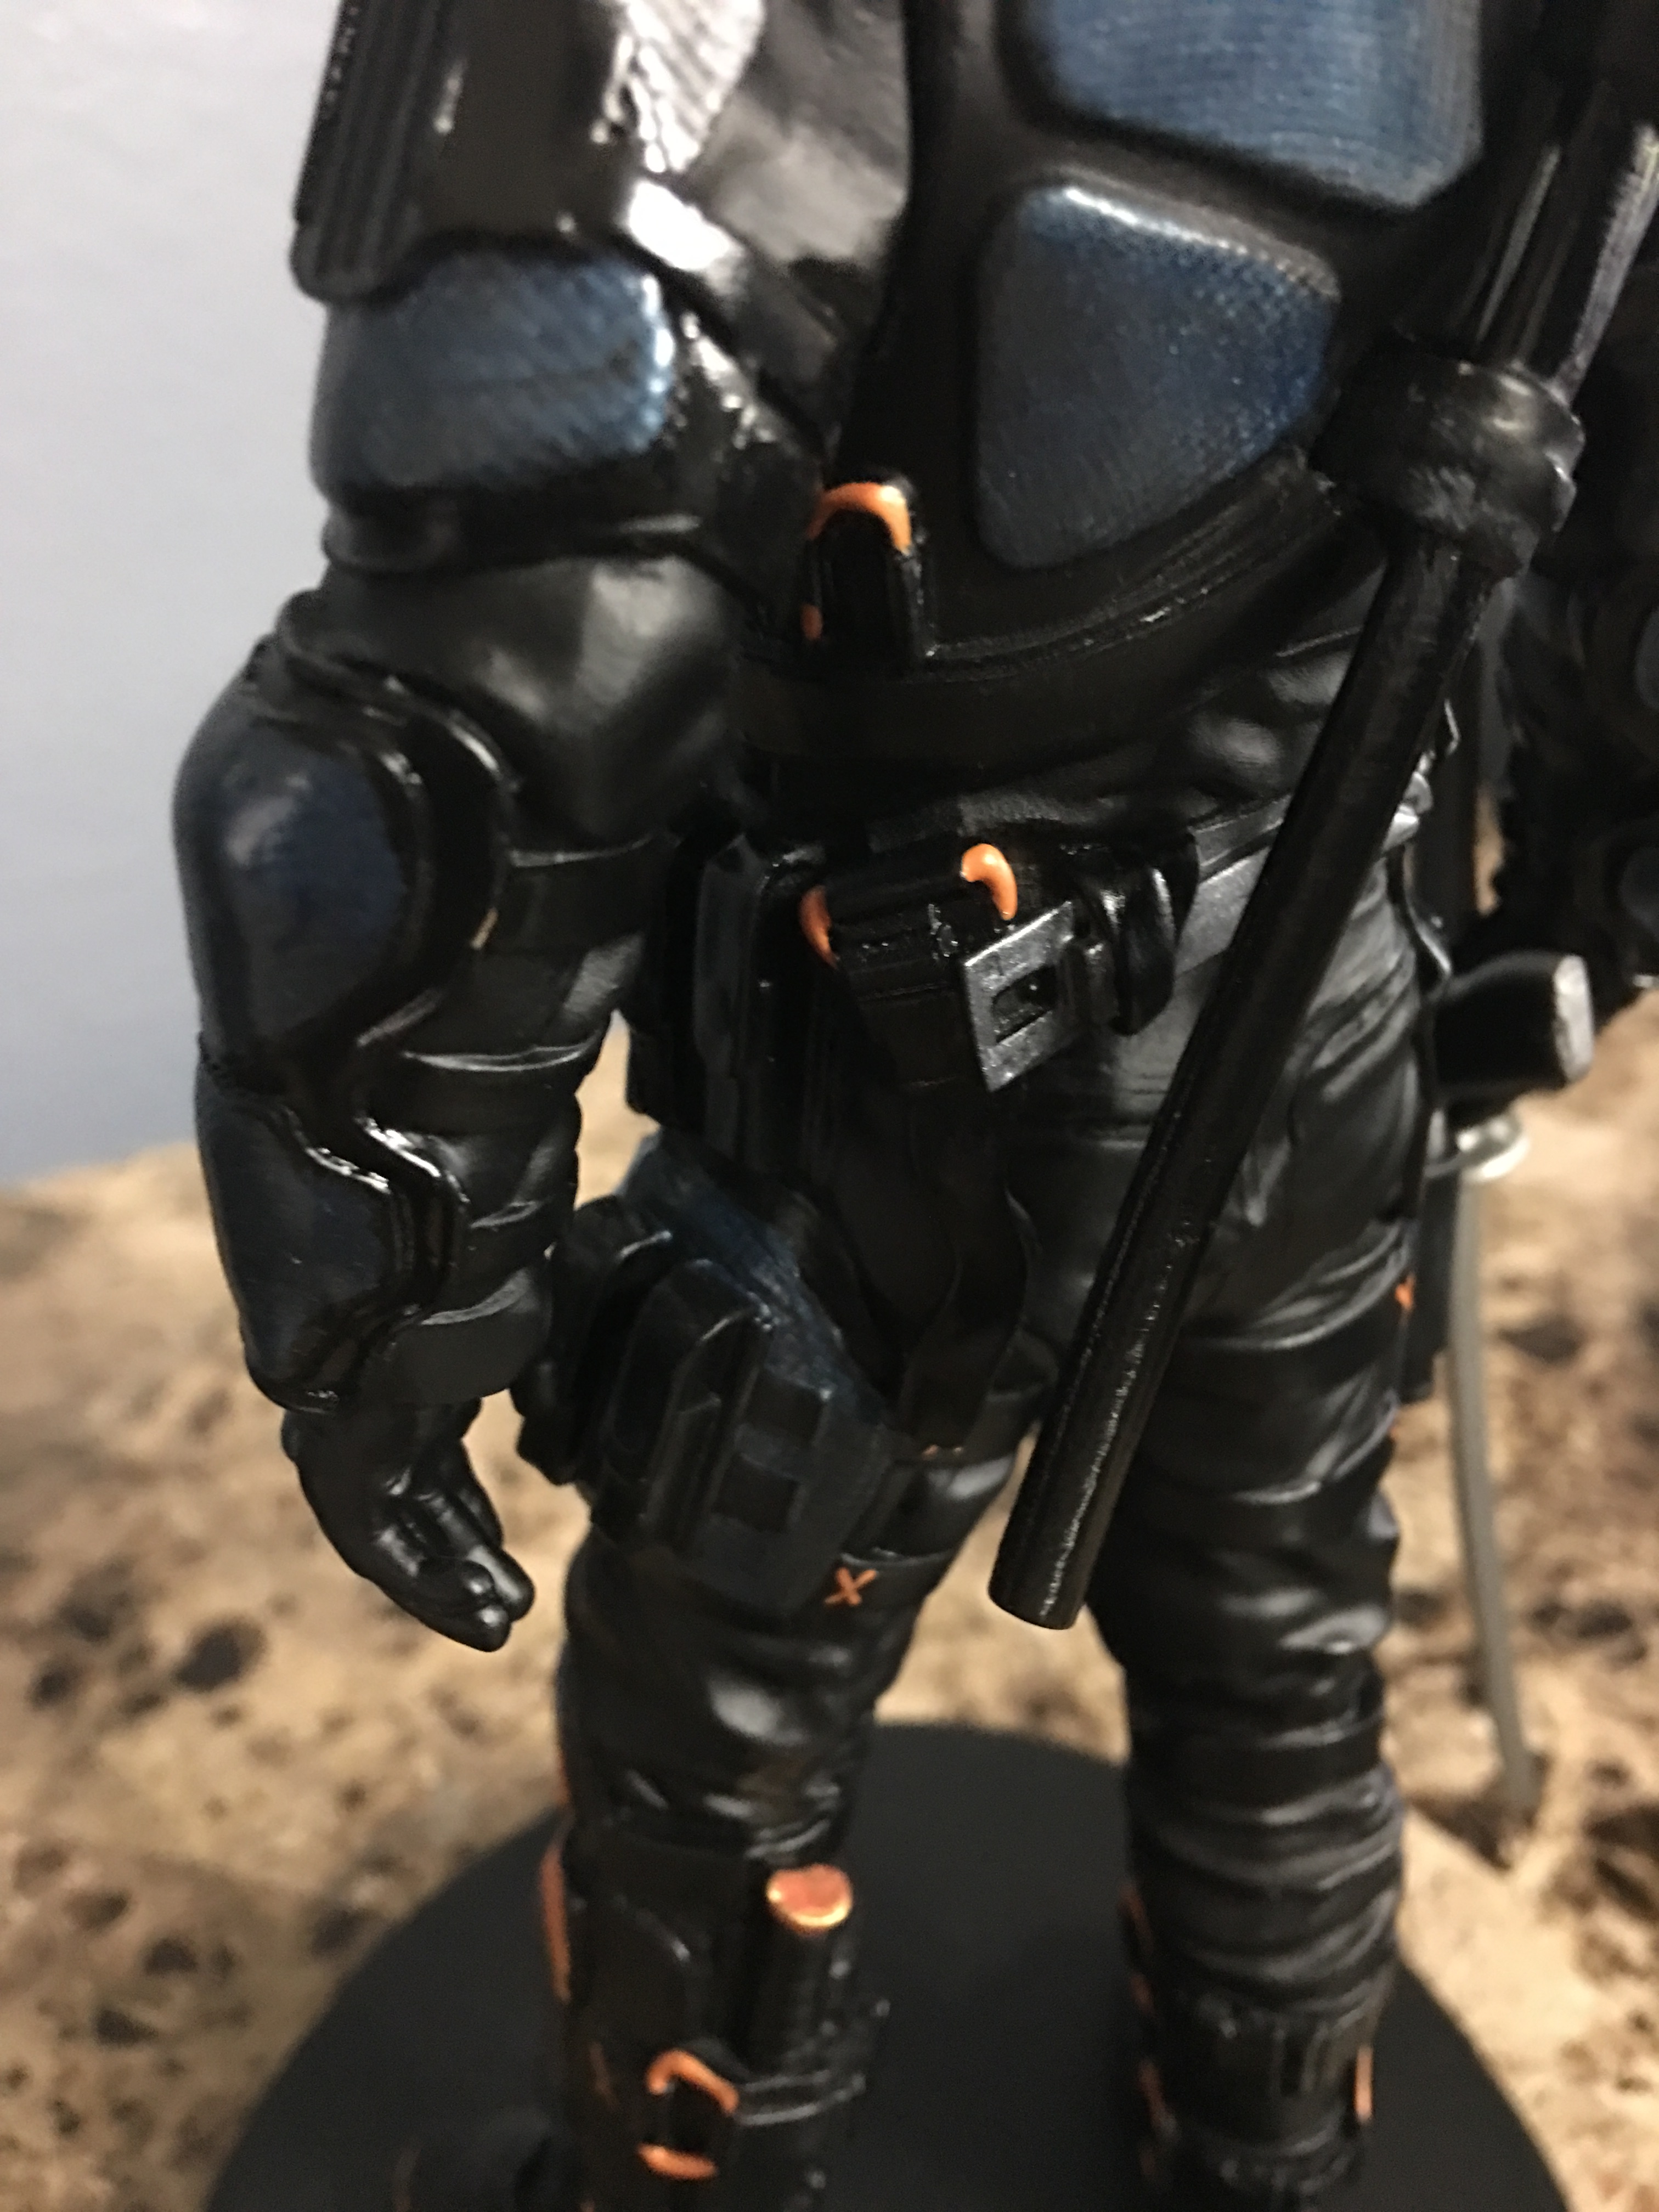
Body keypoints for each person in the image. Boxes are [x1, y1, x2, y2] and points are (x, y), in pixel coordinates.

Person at [172, 3, 1659, 2205]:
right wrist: (1576, 919)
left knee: (725, 1709)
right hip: (1323, 1008)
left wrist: (388, 1271)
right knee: (1278, 1647)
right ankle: (1264, 2143)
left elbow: (472, 702)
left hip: (904, 1103)